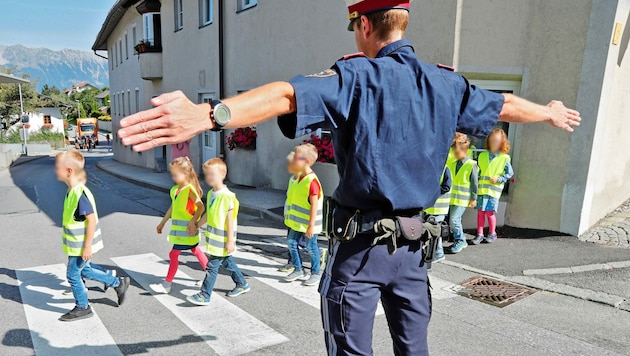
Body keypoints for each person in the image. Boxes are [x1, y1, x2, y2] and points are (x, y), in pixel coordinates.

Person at [117, 1, 580, 353]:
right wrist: (549, 113)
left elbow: (285, 95)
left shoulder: (356, 77)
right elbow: (503, 105)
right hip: (416, 252)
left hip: (361, 251)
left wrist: (211, 114)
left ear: (364, 25)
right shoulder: (447, 84)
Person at [55, 150, 130, 321]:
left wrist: (87, 246)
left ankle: (83, 307)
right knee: (85, 270)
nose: (55, 171)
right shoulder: (71, 191)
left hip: (81, 246)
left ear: (69, 171)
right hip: (77, 245)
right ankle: (118, 283)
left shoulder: (79, 193)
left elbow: (92, 220)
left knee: (73, 275)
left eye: (57, 167)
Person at [187, 158, 250, 305]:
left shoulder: (227, 196)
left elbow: (230, 220)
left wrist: (230, 241)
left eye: (212, 174)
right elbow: (209, 214)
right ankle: (242, 284)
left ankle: (205, 295)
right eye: (206, 174)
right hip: (215, 240)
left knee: (212, 267)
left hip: (223, 240)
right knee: (228, 262)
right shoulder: (211, 194)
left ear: (222, 174)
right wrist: (197, 224)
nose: (208, 177)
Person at [150, 157, 208, 294]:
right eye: (173, 174)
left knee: (173, 254)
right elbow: (172, 207)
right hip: (181, 233)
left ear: (186, 174)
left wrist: (193, 221)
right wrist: (162, 223)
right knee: (195, 250)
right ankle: (210, 275)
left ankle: (167, 284)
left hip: (188, 231)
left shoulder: (189, 190)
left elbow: (201, 208)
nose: (173, 177)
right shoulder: (175, 190)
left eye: (176, 175)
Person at [283, 144, 324, 286]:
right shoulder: (299, 177)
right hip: (297, 223)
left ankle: (316, 272)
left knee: (311, 248)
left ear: (306, 161)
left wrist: (311, 226)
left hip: (308, 224)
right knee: (291, 243)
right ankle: (298, 269)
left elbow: (315, 205)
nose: (293, 159)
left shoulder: (312, 182)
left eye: (296, 157)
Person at [472, 129, 514, 244]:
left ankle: (492, 233)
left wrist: (499, 179)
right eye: (492, 140)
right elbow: (478, 172)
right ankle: (479, 234)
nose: (494, 143)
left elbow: (510, 173)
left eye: (497, 141)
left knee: (490, 213)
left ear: (502, 142)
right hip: (482, 189)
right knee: (480, 212)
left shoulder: (504, 158)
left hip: (493, 191)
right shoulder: (482, 155)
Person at [446, 134, 478, 254]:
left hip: (463, 199)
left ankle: (460, 240)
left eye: (456, 151)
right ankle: (458, 239)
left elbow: (475, 183)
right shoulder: (453, 164)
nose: (454, 153)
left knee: (454, 219)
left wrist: (474, 198)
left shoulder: (471, 164)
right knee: (453, 220)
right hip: (453, 198)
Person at [423, 164, 452, 263]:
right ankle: (435, 253)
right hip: (431, 208)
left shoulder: (445, 169)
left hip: (439, 208)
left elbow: (447, 187)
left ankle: (439, 253)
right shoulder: (430, 168)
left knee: (436, 232)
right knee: (433, 232)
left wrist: (433, 192)